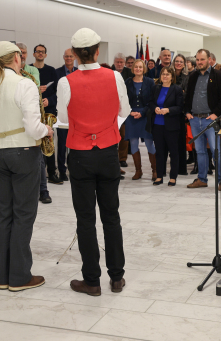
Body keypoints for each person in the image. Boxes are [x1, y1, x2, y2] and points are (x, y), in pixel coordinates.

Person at [56, 28, 131, 296]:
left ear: (75, 54)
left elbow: (63, 119)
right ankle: (117, 277)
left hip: (80, 154)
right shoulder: (115, 76)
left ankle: (92, 280)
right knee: (111, 215)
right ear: (98, 51)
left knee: (85, 219)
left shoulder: (66, 82)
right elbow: (124, 111)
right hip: (109, 151)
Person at [0, 41, 52, 292]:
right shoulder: (25, 84)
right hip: (23, 153)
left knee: (5, 213)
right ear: (16, 59)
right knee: (24, 214)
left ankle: (3, 276)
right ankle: (20, 276)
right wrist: (48, 130)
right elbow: (34, 128)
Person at [184, 49, 221, 189]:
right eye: (197, 60)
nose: (199, 62)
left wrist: (216, 113)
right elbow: (188, 96)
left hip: (211, 119)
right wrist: (187, 112)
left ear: (209, 59)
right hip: (195, 119)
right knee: (200, 151)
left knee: (216, 151)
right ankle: (202, 179)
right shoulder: (192, 76)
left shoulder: (219, 76)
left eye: (202, 59)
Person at [16, 43, 50, 203]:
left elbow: (34, 88)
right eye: (19, 53)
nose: (22, 55)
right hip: (16, 118)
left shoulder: (32, 71)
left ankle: (43, 191)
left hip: (33, 113)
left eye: (24, 52)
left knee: (38, 156)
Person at [150, 66, 184, 186]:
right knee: (159, 152)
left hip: (171, 126)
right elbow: (151, 102)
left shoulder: (177, 89)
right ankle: (159, 176)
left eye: (167, 74)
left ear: (172, 77)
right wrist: (155, 108)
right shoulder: (156, 88)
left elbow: (180, 107)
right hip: (157, 125)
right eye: (163, 74)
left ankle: (173, 177)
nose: (165, 76)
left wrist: (168, 110)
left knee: (173, 152)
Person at [31, 44, 60, 184]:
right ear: (34, 54)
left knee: (49, 143)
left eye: (43, 52)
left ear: (46, 55)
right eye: (38, 52)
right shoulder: (28, 70)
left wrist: (49, 100)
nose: (40, 54)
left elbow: (58, 92)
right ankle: (37, 174)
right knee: (35, 143)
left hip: (48, 112)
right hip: (33, 111)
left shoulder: (52, 71)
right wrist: (37, 91)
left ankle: (52, 173)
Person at [124, 59, 156, 180]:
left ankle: (155, 170)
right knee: (133, 143)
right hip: (131, 116)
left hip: (145, 115)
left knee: (149, 142)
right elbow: (124, 100)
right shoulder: (128, 82)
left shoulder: (149, 82)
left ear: (144, 69)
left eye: (140, 67)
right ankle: (138, 171)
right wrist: (130, 111)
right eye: (136, 67)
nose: (138, 69)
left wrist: (142, 112)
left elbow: (152, 100)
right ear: (133, 69)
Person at [54, 49, 77, 181]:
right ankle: (62, 170)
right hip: (62, 113)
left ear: (74, 57)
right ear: (63, 57)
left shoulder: (79, 73)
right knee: (62, 143)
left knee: (74, 143)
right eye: (66, 56)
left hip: (76, 113)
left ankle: (72, 168)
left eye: (71, 56)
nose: (68, 58)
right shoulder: (57, 73)